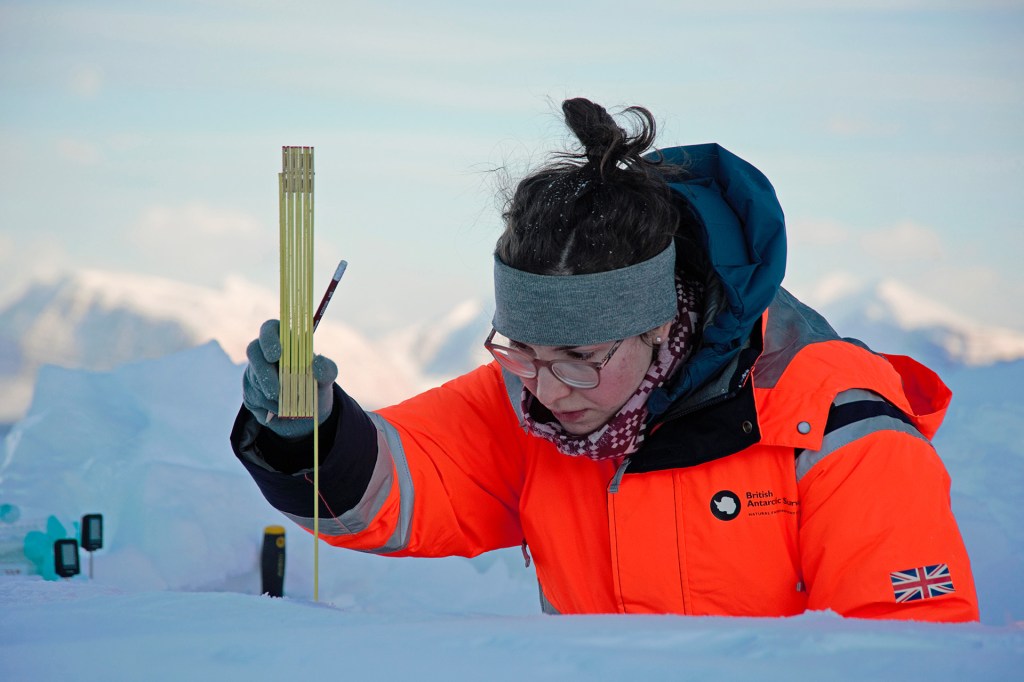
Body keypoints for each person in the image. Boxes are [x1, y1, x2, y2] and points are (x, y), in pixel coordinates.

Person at [231, 98, 979, 621]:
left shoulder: (837, 425)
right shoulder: (526, 401)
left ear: (658, 324)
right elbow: (399, 488)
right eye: (520, 351)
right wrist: (309, 434)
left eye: (580, 357)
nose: (549, 389)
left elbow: (901, 649)